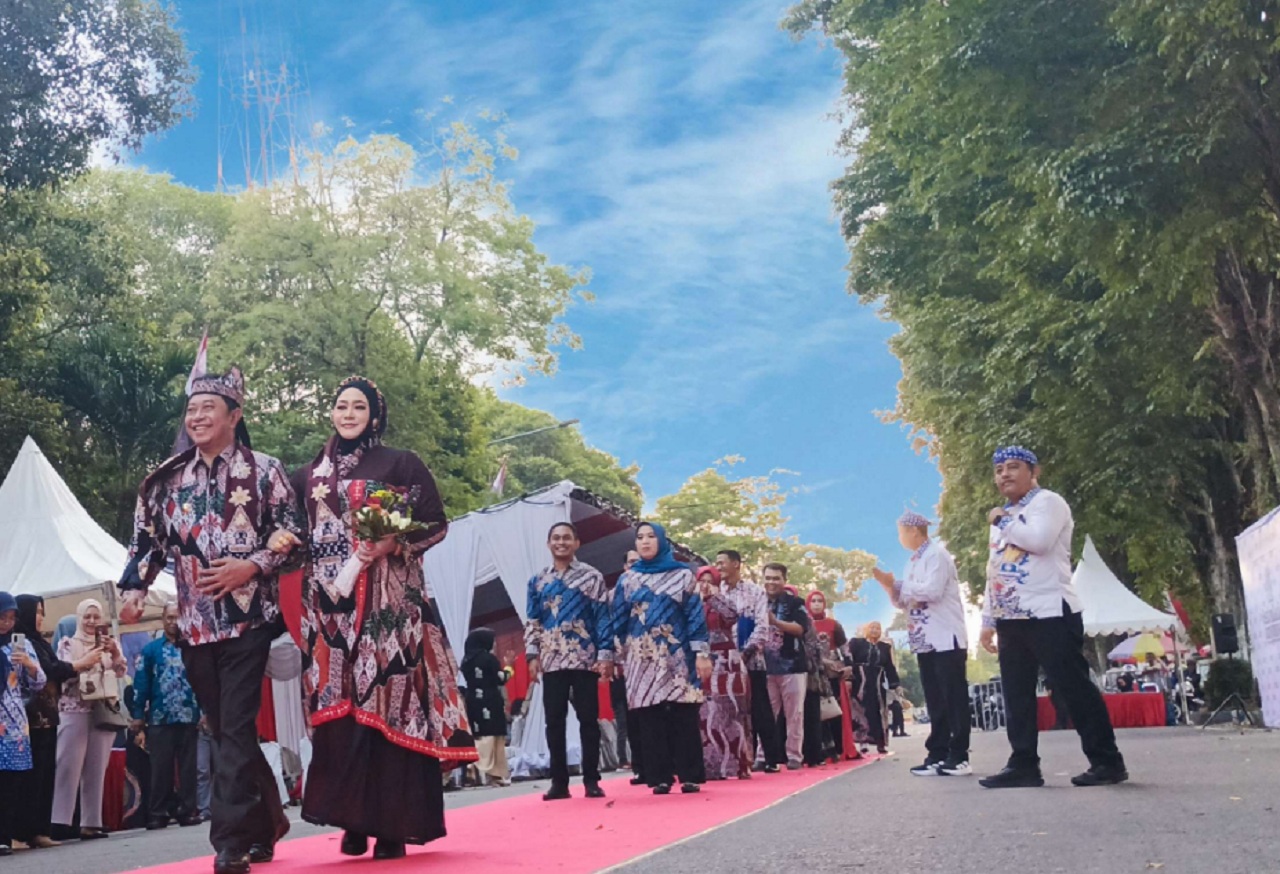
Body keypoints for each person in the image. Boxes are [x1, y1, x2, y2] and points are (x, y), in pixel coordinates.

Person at [267, 374, 474, 861]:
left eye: (359, 406)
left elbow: (435, 522)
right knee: (339, 709)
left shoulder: (401, 463)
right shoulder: (308, 474)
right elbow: (291, 530)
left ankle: (392, 826)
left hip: (390, 608)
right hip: (330, 609)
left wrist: (394, 542)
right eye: (342, 405)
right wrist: (282, 540)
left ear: (374, 415)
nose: (349, 413)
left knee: (389, 701)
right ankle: (351, 818)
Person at [119, 366, 299, 874]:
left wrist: (254, 564)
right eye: (192, 409)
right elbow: (147, 544)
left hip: (250, 620)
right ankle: (267, 822)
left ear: (234, 416)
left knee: (236, 725)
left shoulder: (265, 471)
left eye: (209, 409)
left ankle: (230, 842)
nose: (197, 417)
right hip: (195, 624)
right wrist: (133, 589)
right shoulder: (165, 481)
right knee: (224, 729)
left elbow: (292, 532)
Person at [978, 445, 1127, 789]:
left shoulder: (1048, 502)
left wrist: (1001, 519)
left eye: (1013, 467)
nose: (1004, 475)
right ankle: (1023, 764)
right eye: (999, 470)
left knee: (1072, 687)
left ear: (1034, 471)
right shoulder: (1005, 516)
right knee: (1016, 693)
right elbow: (996, 570)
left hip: (1049, 611)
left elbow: (1040, 541)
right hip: (1011, 616)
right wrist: (988, 619)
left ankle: (1107, 760)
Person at [611, 522, 709, 794]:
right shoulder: (627, 580)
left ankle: (690, 775)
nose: (645, 542)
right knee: (650, 716)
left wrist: (701, 653)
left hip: (678, 654)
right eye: (640, 537)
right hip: (641, 656)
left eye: (651, 536)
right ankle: (660, 777)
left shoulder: (683, 575)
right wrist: (615, 655)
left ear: (663, 540)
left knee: (683, 714)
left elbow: (694, 616)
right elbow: (617, 618)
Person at [873, 510, 970, 776]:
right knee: (935, 698)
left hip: (945, 636)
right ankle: (938, 752)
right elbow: (902, 601)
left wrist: (900, 584)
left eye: (901, 531)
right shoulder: (913, 561)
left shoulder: (937, 555)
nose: (900, 537)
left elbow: (933, 590)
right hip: (923, 638)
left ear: (914, 531)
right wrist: (889, 587)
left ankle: (959, 755)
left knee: (953, 697)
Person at [524, 521, 612, 801]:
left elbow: (603, 617)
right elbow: (533, 620)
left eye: (566, 538)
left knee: (588, 720)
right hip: (551, 659)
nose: (561, 542)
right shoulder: (538, 580)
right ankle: (559, 782)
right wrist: (531, 654)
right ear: (549, 543)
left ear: (577, 543)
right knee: (554, 722)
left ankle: (591, 780)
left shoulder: (592, 577)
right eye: (556, 538)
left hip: (584, 657)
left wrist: (605, 654)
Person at [13, 596, 90, 850]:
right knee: (30, 777)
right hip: (27, 719)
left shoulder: (39, 642)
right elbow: (50, 669)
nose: (40, 618)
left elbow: (51, 666)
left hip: (47, 715)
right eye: (36, 612)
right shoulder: (20, 645)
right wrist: (79, 664)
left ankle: (39, 830)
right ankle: (24, 830)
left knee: (45, 774)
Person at [51, 598, 126, 842]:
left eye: (96, 617)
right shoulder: (66, 643)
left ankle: (91, 822)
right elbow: (61, 674)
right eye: (87, 616)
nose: (92, 622)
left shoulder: (108, 644)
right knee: (67, 766)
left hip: (101, 710)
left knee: (97, 767)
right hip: (73, 709)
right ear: (79, 617)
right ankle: (60, 821)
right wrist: (84, 662)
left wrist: (114, 654)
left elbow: (122, 672)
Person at [129, 602, 203, 829]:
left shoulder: (193, 646)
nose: (173, 622)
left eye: (176, 618)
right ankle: (158, 812)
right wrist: (138, 714)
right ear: (162, 620)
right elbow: (141, 682)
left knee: (189, 767)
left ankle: (187, 809)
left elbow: (203, 680)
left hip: (189, 714)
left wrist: (205, 711)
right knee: (161, 768)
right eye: (169, 618)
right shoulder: (151, 650)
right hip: (160, 717)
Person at [714, 550, 777, 773]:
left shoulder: (754, 592)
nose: (718, 567)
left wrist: (745, 653)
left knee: (759, 707)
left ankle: (770, 758)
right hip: (722, 663)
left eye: (722, 563)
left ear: (736, 564)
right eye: (716, 563)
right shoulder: (715, 592)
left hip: (751, 659)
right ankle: (733, 758)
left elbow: (762, 626)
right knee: (728, 710)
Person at [0, 591, 47, 856]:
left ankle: (5, 836)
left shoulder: (22, 646)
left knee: (12, 782)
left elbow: (39, 682)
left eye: (11, 618)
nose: (6, 624)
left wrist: (29, 665)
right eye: (2, 618)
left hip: (14, 722)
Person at [695, 565, 752, 780]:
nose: (706, 584)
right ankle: (711, 766)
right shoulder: (692, 604)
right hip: (702, 661)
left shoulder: (724, 602)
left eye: (711, 580)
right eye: (702, 580)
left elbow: (732, 617)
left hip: (727, 662)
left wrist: (713, 598)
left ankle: (738, 764)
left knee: (730, 713)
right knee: (705, 715)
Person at [761, 563, 809, 770]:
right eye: (768, 578)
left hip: (793, 665)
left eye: (776, 578)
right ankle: (764, 756)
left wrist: (775, 622)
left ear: (784, 580)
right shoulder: (757, 601)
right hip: (764, 666)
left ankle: (794, 756)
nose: (771, 582)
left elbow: (800, 629)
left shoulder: (795, 602)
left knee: (794, 714)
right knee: (765, 714)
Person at [804, 590, 855, 762]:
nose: (817, 604)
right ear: (808, 604)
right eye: (813, 601)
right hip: (811, 673)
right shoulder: (803, 623)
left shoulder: (834, 624)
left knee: (834, 711)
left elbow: (845, 648)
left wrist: (848, 668)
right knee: (814, 713)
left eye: (820, 601)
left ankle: (839, 748)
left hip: (832, 673)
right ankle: (820, 750)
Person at [461, 628, 510, 787]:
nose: (494, 645)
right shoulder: (489, 659)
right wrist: (509, 667)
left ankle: (474, 768)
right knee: (493, 736)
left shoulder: (466, 661)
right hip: (490, 700)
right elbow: (501, 678)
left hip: (473, 700)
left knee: (480, 736)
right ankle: (488, 771)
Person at [848, 621, 899, 755]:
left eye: (878, 628)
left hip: (877, 683)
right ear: (866, 629)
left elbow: (889, 667)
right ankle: (862, 741)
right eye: (872, 628)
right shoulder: (856, 643)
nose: (875, 630)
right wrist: (848, 679)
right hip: (860, 682)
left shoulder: (884, 647)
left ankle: (881, 743)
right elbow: (849, 660)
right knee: (860, 711)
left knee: (879, 712)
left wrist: (895, 685)